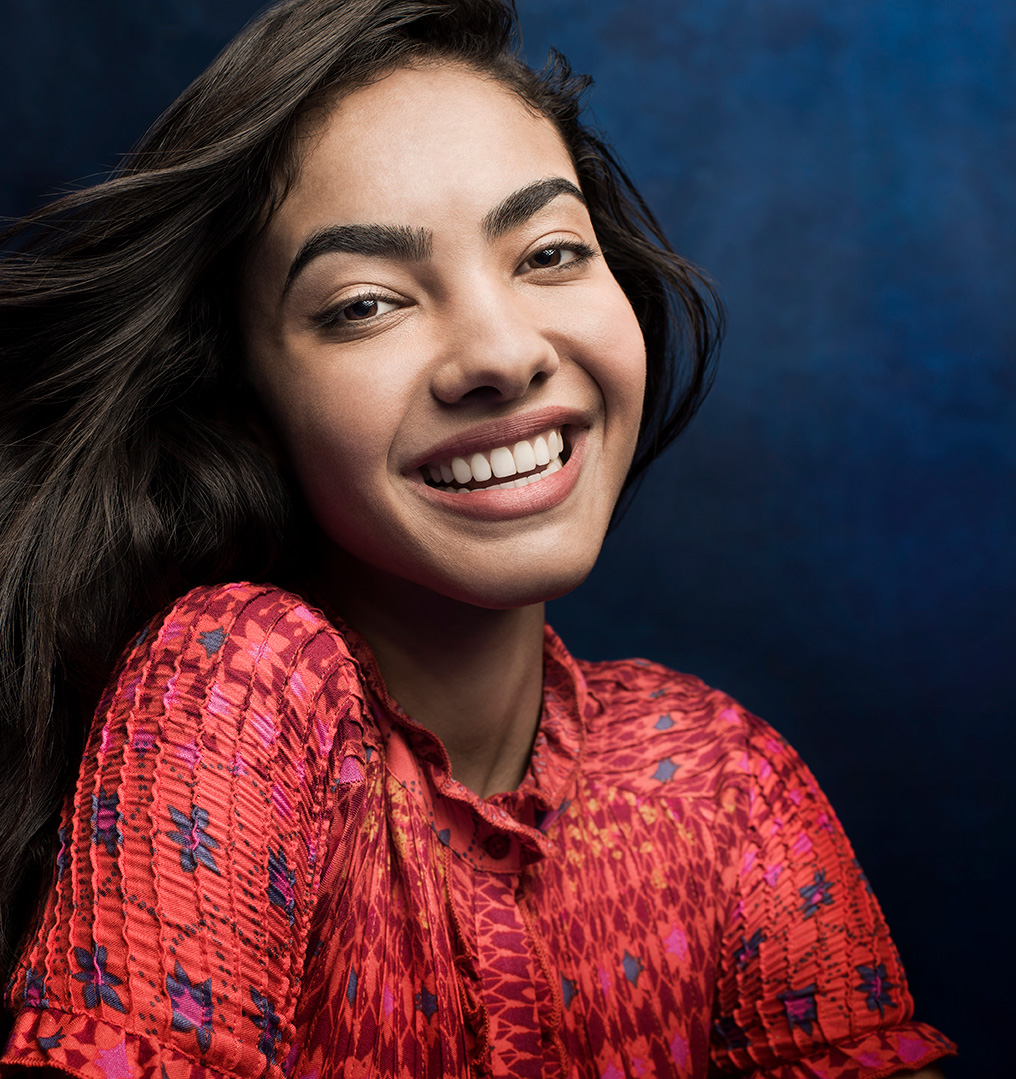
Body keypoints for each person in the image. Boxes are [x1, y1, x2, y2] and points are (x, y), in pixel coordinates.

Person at [0, 0, 955, 1075]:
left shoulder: (720, 780)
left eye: (548, 252)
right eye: (364, 304)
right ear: (241, 398)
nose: (500, 351)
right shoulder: (235, 679)